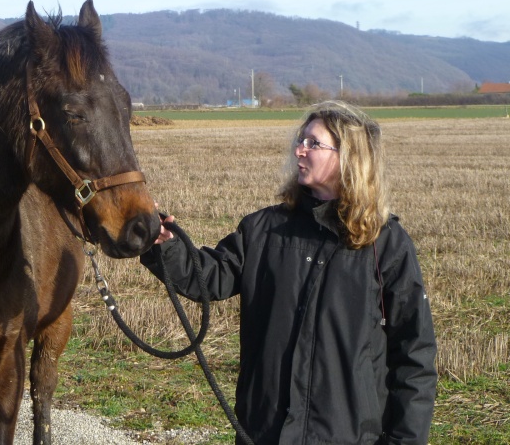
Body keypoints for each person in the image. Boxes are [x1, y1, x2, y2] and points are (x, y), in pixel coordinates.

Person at [141, 101, 437, 445]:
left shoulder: (385, 243)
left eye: (314, 143)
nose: (299, 149)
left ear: (350, 157)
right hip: (265, 431)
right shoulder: (264, 228)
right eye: (301, 139)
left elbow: (414, 353)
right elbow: (210, 277)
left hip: (348, 436)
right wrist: (165, 245)